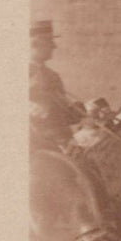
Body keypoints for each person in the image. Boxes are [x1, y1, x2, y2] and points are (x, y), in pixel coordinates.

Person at [29, 20, 83, 150]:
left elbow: (64, 115)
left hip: (64, 142)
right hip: (37, 144)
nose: (54, 46)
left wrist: (77, 112)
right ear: (34, 43)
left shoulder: (53, 75)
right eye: (49, 42)